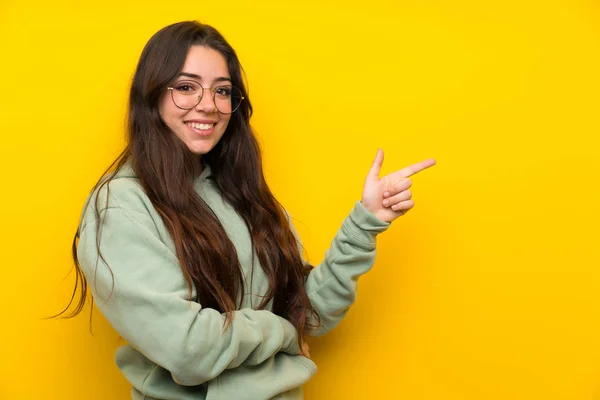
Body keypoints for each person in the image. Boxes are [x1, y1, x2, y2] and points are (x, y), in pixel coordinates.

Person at [61, 20, 436, 400]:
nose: (208, 104)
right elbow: (187, 348)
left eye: (222, 91)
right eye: (187, 87)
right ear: (152, 97)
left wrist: (364, 224)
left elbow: (309, 314)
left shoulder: (241, 196)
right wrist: (283, 334)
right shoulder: (121, 205)